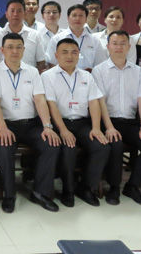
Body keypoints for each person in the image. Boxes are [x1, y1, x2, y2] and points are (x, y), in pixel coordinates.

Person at [0, 33, 61, 213]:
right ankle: (9, 195)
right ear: (2, 50)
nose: (14, 51)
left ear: (24, 49)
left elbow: (40, 100)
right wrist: (2, 128)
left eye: (18, 47)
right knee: (4, 147)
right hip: (6, 124)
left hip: (30, 124)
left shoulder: (32, 71)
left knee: (51, 144)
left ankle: (40, 193)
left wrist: (47, 126)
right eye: (10, 47)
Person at [92, 30, 141, 206]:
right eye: (115, 43)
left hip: (131, 123)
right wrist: (109, 127)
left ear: (129, 47)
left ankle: (133, 186)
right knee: (116, 144)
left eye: (123, 43)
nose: (119, 47)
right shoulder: (99, 70)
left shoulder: (137, 71)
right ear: (108, 46)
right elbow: (99, 102)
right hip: (108, 120)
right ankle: (114, 187)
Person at [41, 38, 110, 207]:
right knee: (68, 148)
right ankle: (68, 190)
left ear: (79, 55)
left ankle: (86, 188)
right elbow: (51, 105)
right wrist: (63, 130)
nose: (69, 56)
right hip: (59, 123)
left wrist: (96, 128)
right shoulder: (47, 76)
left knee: (101, 146)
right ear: (56, 55)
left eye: (74, 52)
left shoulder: (86, 76)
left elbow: (94, 102)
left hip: (82, 123)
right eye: (64, 52)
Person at [45, 4, 106, 71]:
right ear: (68, 18)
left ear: (86, 19)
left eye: (81, 16)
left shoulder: (94, 40)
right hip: (63, 76)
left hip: (88, 76)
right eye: (74, 15)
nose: (77, 18)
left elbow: (100, 64)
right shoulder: (57, 39)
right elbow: (51, 63)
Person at [0, 0, 46, 71]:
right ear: (6, 14)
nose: (15, 14)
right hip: (2, 76)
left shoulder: (35, 35)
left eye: (19, 11)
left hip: (28, 76)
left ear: (24, 14)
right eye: (12, 11)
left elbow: (41, 62)